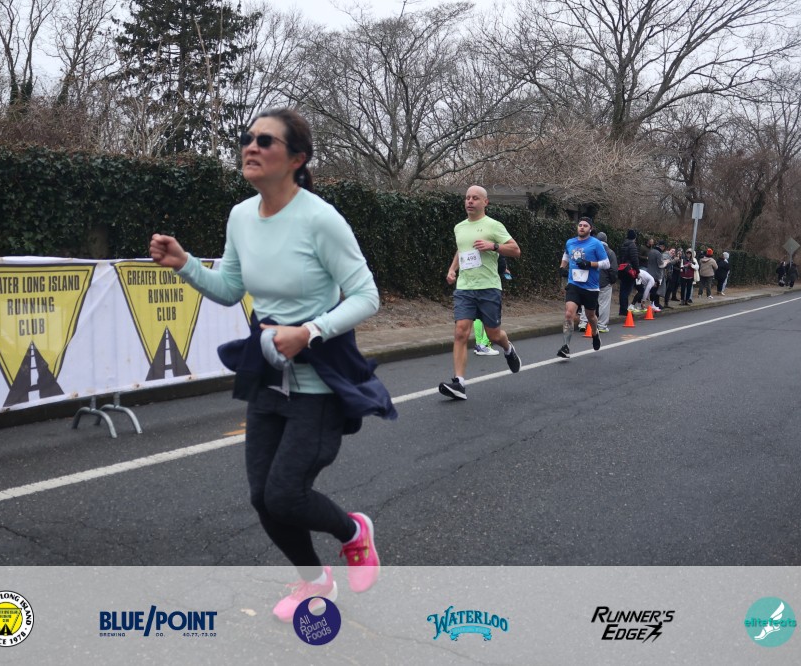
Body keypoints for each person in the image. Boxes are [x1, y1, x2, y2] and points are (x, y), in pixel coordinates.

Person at [149, 108, 394, 622]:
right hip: (267, 374)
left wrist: (309, 331)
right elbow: (230, 289)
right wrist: (186, 264)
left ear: (297, 158)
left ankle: (354, 532)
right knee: (263, 498)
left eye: (266, 140)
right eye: (247, 138)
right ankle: (316, 581)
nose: (251, 147)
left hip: (318, 381)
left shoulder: (320, 219)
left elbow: (366, 295)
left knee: (286, 493)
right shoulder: (241, 216)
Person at [440, 185, 522, 400]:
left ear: (485, 202)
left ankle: (508, 349)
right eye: (467, 197)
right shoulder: (459, 227)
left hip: (489, 287)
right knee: (460, 332)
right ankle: (459, 383)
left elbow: (515, 250)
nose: (470, 201)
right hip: (465, 288)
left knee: (493, 335)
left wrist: (493, 246)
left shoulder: (493, 225)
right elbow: (462, 250)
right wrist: (452, 269)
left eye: (475, 198)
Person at [557, 217, 609, 358]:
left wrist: (589, 264)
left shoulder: (596, 244)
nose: (582, 227)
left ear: (590, 229)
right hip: (574, 284)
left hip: (590, 287)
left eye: (585, 225)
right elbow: (566, 254)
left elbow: (606, 263)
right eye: (580, 225)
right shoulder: (570, 242)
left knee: (590, 316)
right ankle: (565, 346)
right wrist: (562, 267)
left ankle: (595, 333)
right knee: (569, 314)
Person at [578, 231, 616, 333]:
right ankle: (601, 325)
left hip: (590, 280)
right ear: (606, 240)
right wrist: (612, 280)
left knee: (586, 302)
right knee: (604, 303)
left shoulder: (590, 249)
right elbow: (613, 269)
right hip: (604, 281)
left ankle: (583, 322)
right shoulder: (610, 252)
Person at [617, 229, 640, 315]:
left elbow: (619, 257)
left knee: (623, 290)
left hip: (622, 269)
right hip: (630, 270)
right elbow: (635, 259)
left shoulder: (623, 244)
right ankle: (624, 310)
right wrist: (637, 271)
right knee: (627, 291)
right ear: (634, 237)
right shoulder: (632, 245)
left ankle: (622, 309)